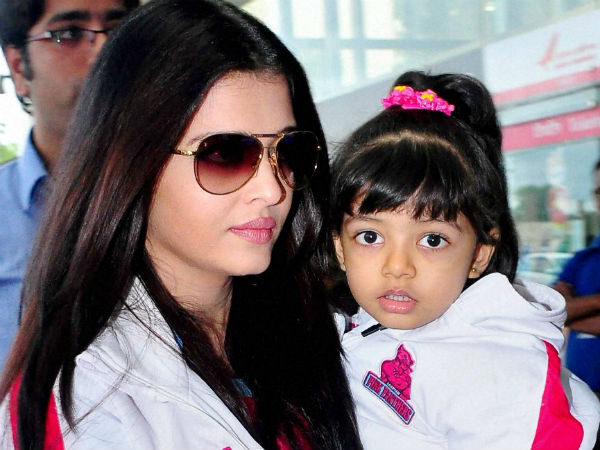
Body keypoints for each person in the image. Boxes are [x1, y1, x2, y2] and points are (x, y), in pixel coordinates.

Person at [0, 1, 363, 449]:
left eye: (287, 152)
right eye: (226, 154)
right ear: (134, 164)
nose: (272, 190)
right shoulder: (82, 402)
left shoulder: (335, 334)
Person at [330, 71, 600, 450]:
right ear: (340, 248)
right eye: (370, 237)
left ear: (478, 255)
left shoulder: (498, 373)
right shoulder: (348, 328)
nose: (397, 266)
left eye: (432, 240)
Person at [0, 0, 140, 368]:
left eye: (118, 29)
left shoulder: (191, 191)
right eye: (68, 34)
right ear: (19, 67)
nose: (104, 50)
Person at [554, 160, 600, 395]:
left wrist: (572, 313)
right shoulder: (584, 258)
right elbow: (550, 309)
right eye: (598, 192)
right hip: (582, 399)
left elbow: (561, 313)